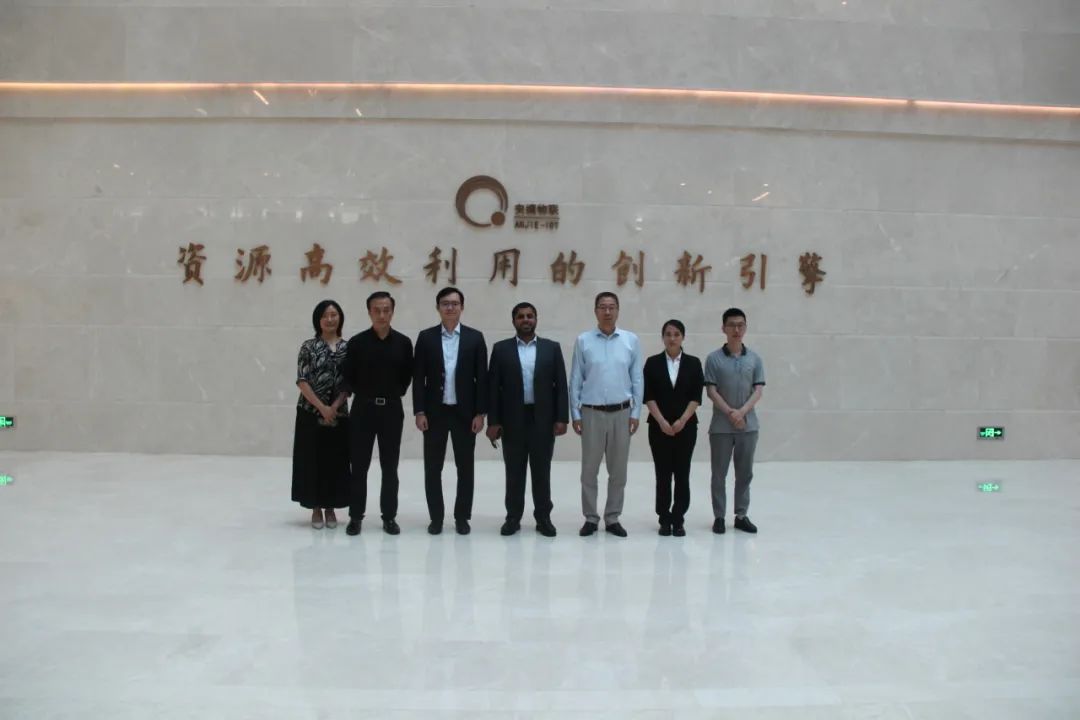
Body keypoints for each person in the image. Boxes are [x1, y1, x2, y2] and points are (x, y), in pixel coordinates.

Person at [486, 302, 569, 537]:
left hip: (543, 419)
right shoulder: (501, 349)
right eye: (521, 316)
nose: (526, 320)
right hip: (512, 420)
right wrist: (494, 421)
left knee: (541, 471)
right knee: (514, 471)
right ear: (513, 321)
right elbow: (493, 388)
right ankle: (513, 517)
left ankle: (543, 518)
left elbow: (561, 385)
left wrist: (562, 418)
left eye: (530, 316)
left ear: (536, 319)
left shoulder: (551, 348)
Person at [413, 287, 489, 535]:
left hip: (465, 414)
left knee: (465, 468)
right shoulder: (426, 337)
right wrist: (419, 411)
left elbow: (482, 379)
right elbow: (419, 378)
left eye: (455, 303)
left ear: (462, 307)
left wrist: (480, 413)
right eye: (445, 303)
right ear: (438, 308)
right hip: (434, 414)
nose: (450, 307)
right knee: (433, 468)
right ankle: (436, 518)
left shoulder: (475, 338)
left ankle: (462, 517)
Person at [569, 291, 644, 538]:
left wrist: (635, 413)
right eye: (602, 307)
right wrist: (575, 415)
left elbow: (637, 378)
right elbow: (576, 379)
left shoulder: (630, 340)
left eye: (612, 307)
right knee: (589, 471)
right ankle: (590, 518)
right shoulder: (583, 341)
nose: (607, 311)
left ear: (618, 310)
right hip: (591, 413)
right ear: (595, 311)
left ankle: (613, 518)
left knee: (618, 471)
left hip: (622, 413)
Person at [339, 291, 413, 536]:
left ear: (392, 311)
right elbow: (348, 376)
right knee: (359, 466)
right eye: (377, 310)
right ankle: (355, 517)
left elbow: (406, 377)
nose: (382, 315)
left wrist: (393, 393)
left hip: (391, 410)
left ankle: (389, 517)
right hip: (363, 409)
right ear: (369, 312)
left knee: (390, 467)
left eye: (386, 310)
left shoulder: (403, 343)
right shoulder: (357, 343)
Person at [704, 308, 766, 534]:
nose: (736, 329)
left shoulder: (754, 359)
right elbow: (711, 391)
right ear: (723, 328)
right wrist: (731, 413)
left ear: (745, 328)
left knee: (745, 473)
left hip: (748, 426)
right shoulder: (713, 359)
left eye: (740, 325)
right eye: (732, 325)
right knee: (719, 474)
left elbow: (758, 391)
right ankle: (719, 516)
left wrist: (742, 413)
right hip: (721, 427)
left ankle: (741, 515)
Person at [291, 300, 350, 529]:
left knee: (334, 460)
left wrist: (333, 407)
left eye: (334, 314)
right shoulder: (308, 347)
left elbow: (349, 383)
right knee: (312, 460)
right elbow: (302, 380)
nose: (330, 319)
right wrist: (322, 407)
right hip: (310, 412)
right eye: (325, 315)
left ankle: (331, 507)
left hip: (339, 414)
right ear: (318, 320)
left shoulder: (347, 348)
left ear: (340, 318)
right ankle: (316, 507)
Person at [643, 319, 704, 537]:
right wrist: (661, 421)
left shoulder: (693, 363)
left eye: (676, 334)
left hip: (686, 427)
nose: (672, 338)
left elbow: (696, 396)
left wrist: (682, 420)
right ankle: (664, 518)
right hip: (658, 427)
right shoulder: (652, 363)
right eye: (668, 334)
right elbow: (648, 395)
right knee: (662, 474)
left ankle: (678, 518)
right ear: (662, 337)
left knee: (682, 472)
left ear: (683, 337)